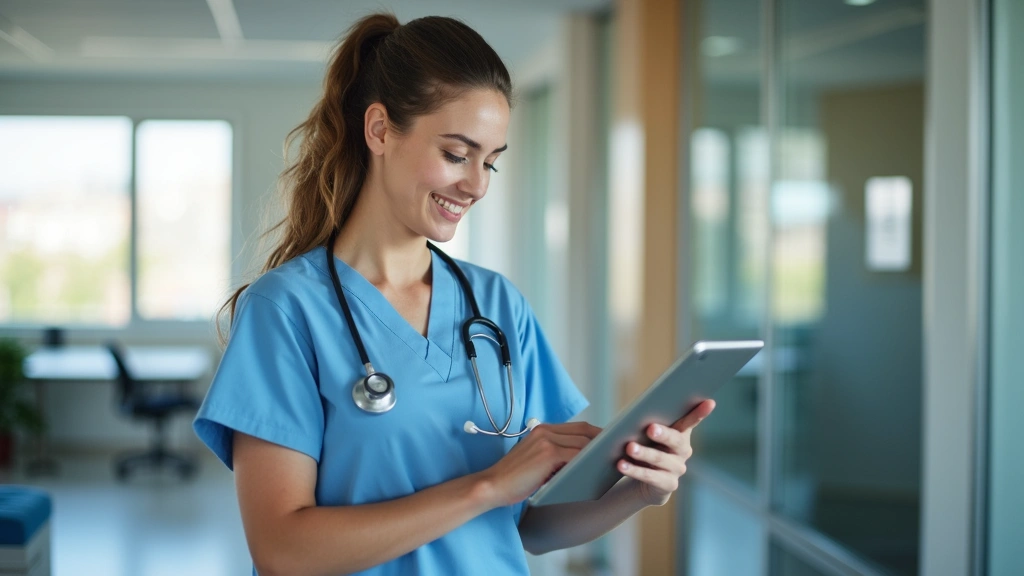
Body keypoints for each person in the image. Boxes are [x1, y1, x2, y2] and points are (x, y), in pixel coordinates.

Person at [193, 12, 715, 576]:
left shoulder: (497, 305)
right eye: (456, 154)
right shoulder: (287, 310)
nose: (478, 184)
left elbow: (528, 527)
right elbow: (282, 550)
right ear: (380, 131)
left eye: (490, 161)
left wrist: (639, 492)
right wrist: (487, 485)